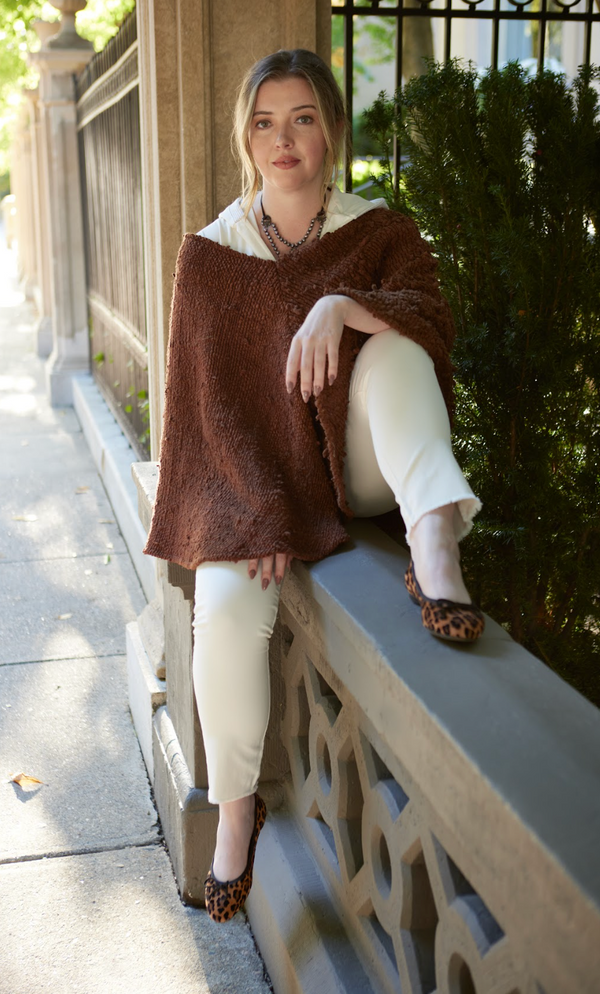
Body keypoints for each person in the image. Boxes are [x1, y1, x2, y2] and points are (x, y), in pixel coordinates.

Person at [143, 48, 484, 924]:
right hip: (253, 492)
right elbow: (204, 412)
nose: (283, 139)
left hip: (357, 471)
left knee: (398, 345)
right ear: (244, 137)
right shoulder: (211, 255)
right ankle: (236, 811)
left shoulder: (378, 228)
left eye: (301, 118)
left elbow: (433, 320)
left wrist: (341, 306)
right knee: (221, 615)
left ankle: (434, 538)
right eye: (265, 121)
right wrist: (250, 510)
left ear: (330, 127)